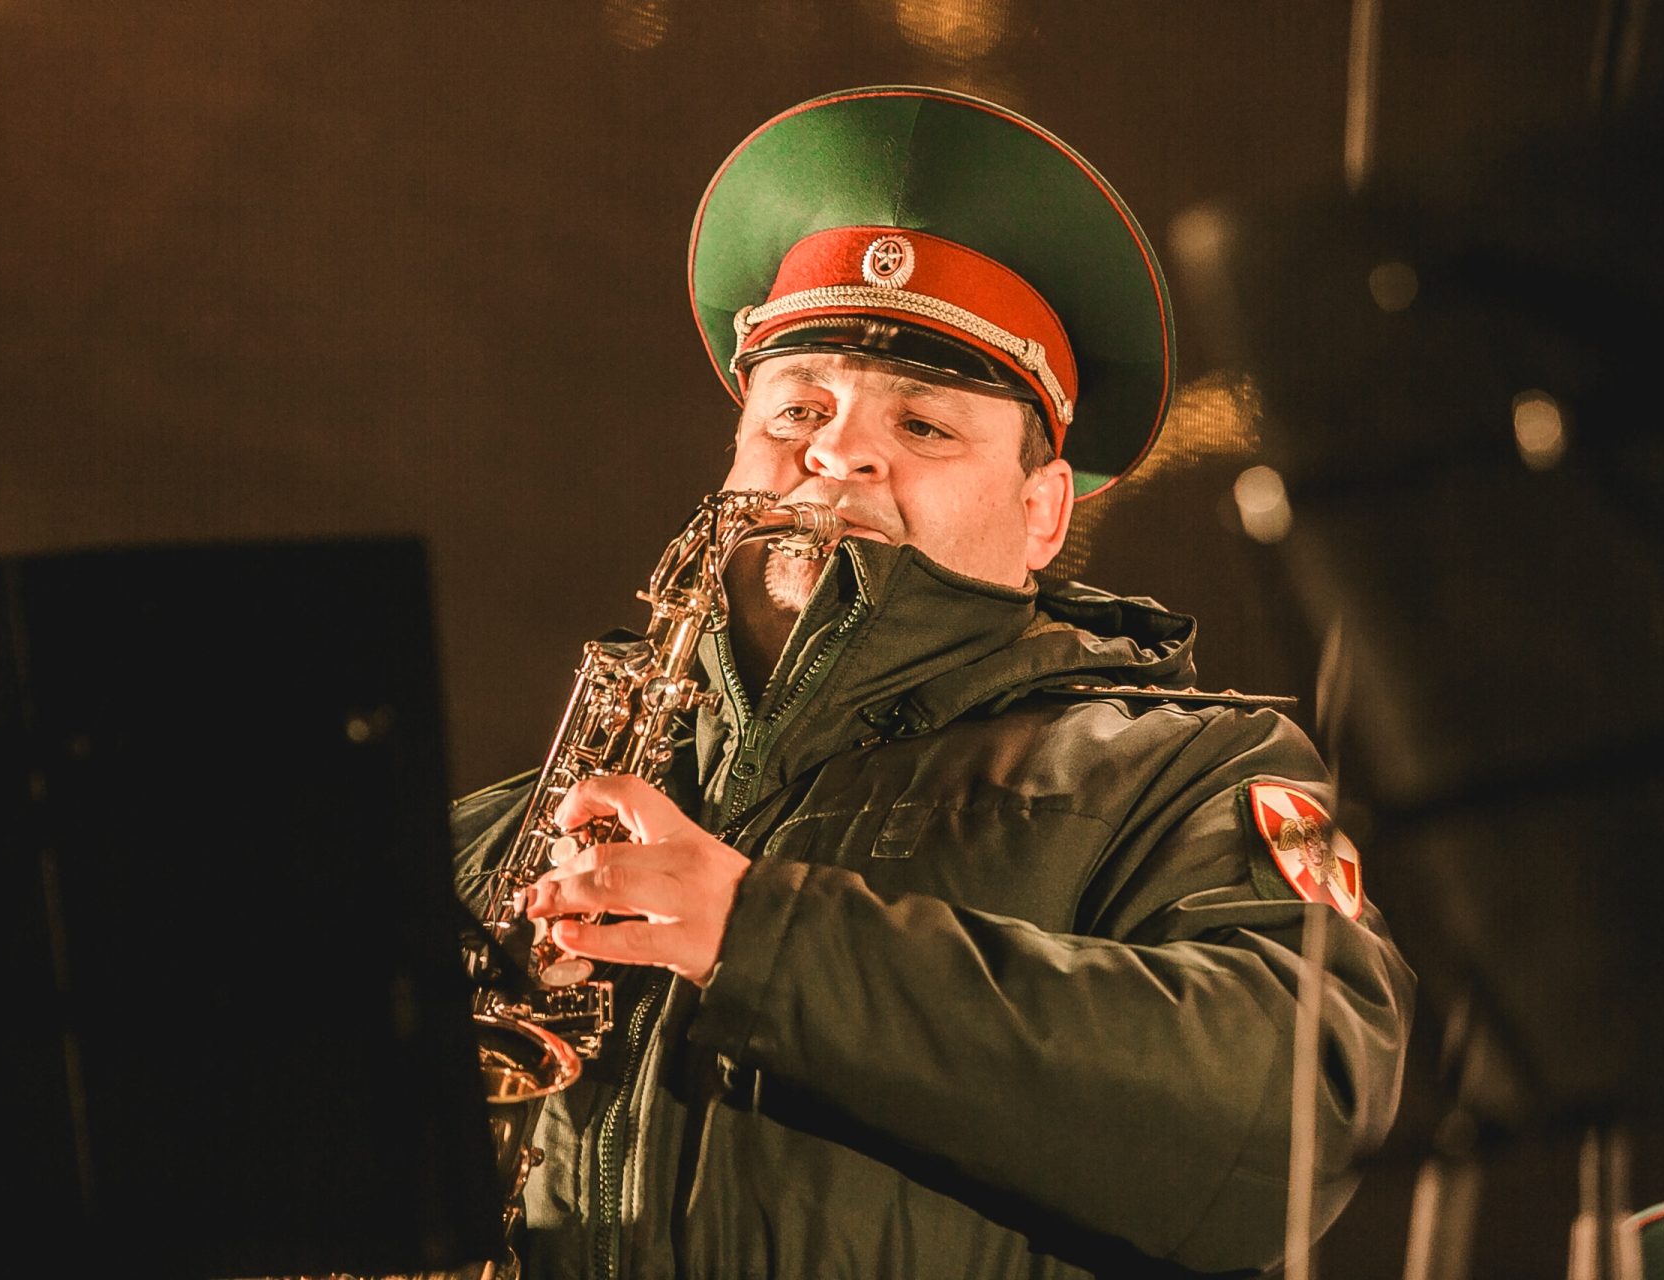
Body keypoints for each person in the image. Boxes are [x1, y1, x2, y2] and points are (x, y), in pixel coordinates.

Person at [451, 86, 1413, 1280]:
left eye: (923, 426)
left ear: (1042, 511)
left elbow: (1292, 1116)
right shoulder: (510, 833)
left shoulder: (1186, 776)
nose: (836, 449)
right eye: (798, 409)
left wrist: (761, 935)